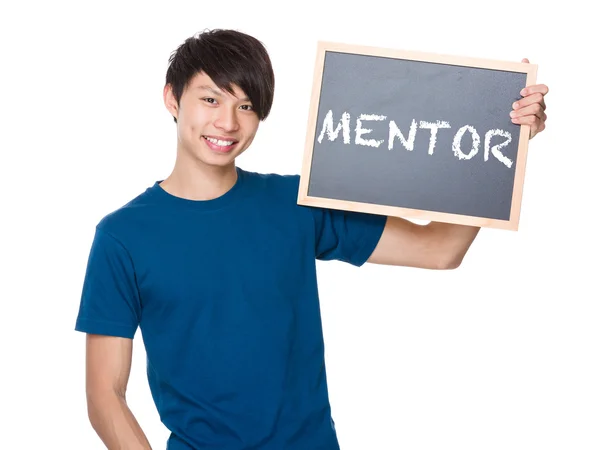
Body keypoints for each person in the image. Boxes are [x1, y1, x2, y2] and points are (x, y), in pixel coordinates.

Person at [74, 29, 549, 450]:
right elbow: (104, 395)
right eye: (211, 99)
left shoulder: (294, 202)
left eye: (246, 106)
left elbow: (439, 249)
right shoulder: (122, 237)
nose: (228, 123)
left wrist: (504, 140)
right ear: (172, 99)